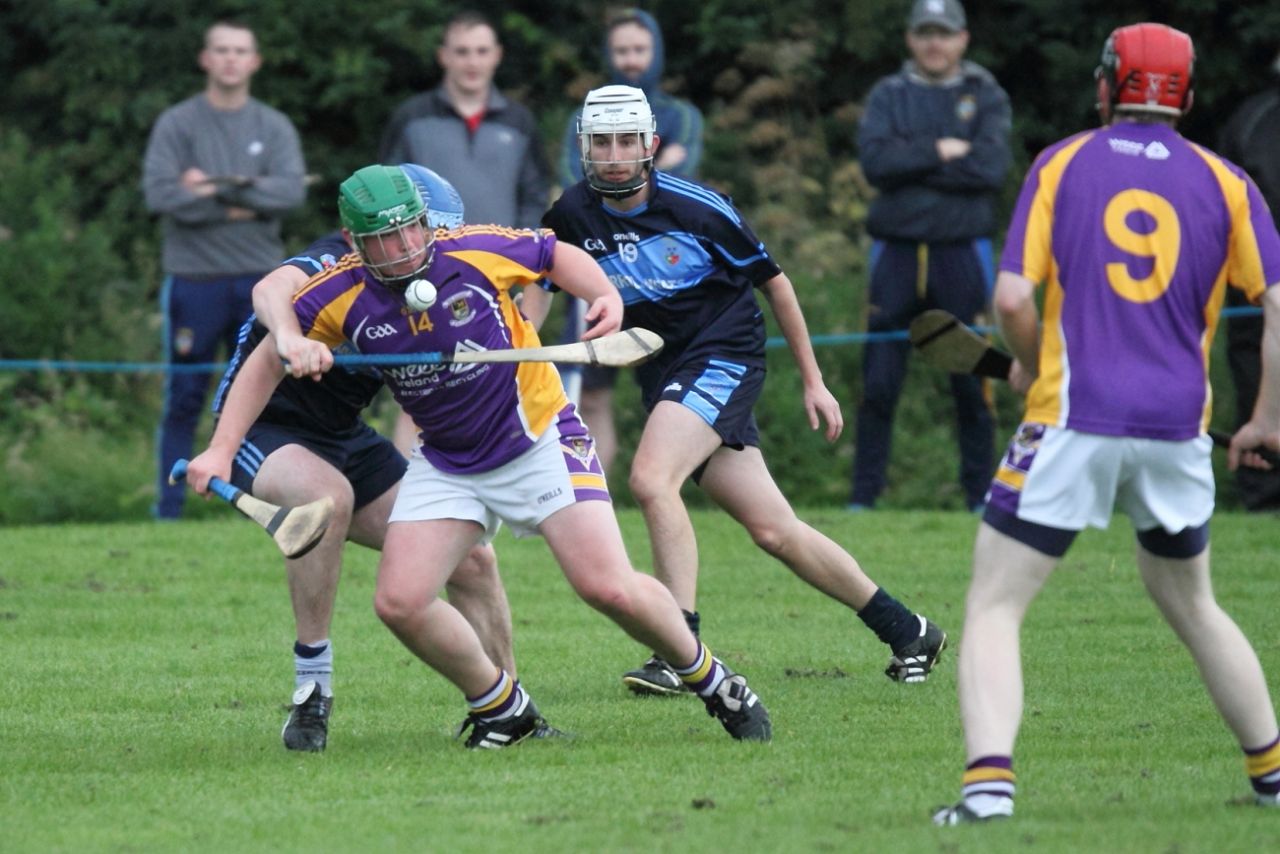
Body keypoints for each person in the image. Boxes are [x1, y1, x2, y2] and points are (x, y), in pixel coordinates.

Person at [192, 164, 773, 747]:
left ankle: (714, 679)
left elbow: (553, 255)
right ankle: (503, 708)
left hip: (540, 439)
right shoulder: (339, 294)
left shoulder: (472, 249)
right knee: (399, 602)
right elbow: (266, 358)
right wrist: (233, 432)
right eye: (384, 239)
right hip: (448, 463)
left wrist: (602, 296)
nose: (404, 248)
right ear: (354, 241)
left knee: (608, 588)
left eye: (412, 230)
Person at [933, 23, 1280, 825]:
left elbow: (1014, 299)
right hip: (1175, 430)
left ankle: (988, 792)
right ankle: (1270, 774)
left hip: (1071, 419)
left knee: (994, 604)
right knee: (1192, 600)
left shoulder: (1062, 163)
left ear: (1104, 86)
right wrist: (1264, 418)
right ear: (1186, 96)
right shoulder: (1227, 182)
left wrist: (1029, 364)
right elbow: (1276, 308)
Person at [543, 85, 947, 697]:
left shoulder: (699, 208)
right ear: (584, 148)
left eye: (628, 141)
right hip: (667, 371)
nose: (616, 154)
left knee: (652, 480)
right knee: (774, 530)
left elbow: (776, 285)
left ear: (651, 145)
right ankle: (909, 629)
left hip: (723, 353)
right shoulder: (571, 214)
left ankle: (679, 650)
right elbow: (537, 282)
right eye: (602, 142)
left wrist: (815, 381)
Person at [186, 165, 544, 752]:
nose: (417, 253)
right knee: (327, 500)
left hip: (343, 434)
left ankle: (510, 708)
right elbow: (268, 291)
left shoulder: (437, 274)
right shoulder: (335, 262)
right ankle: (312, 691)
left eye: (429, 235)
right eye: (402, 237)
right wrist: (289, 337)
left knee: (474, 561)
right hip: (265, 427)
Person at [849, 0, 1010, 512]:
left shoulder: (985, 93)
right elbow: (876, 164)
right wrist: (942, 150)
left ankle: (981, 497)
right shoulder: (888, 94)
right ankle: (863, 500)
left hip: (961, 251)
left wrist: (910, 163)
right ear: (910, 39)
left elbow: (989, 168)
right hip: (894, 252)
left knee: (972, 378)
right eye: (925, 34)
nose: (934, 43)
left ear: (962, 39)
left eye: (944, 34)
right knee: (878, 380)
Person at [143, 20, 307, 519]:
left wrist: (210, 188)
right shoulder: (176, 124)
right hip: (193, 281)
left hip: (261, 284)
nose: (231, 59)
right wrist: (247, 196)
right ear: (206, 59)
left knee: (269, 395)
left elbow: (290, 194)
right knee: (185, 394)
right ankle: (168, 508)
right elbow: (161, 195)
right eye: (222, 50)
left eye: (241, 50)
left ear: (255, 61)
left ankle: (258, 505)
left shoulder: (273, 126)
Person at [554, 7, 706, 476]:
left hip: (668, 275)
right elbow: (571, 184)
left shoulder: (683, 115)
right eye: (622, 50)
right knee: (589, 387)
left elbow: (680, 183)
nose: (631, 59)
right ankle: (590, 493)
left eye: (640, 50)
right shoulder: (583, 116)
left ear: (656, 51)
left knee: (669, 384)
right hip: (598, 269)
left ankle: (664, 479)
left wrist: (624, 178)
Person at [378, 10, 548, 230]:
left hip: (503, 258)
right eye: (462, 52)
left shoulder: (519, 122)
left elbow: (534, 197)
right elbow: (389, 196)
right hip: (429, 258)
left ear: (497, 55)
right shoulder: (411, 118)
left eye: (482, 51)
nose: (472, 62)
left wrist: (522, 245)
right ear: (443, 56)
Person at [1218, 52, 1280, 511]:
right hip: (1256, 278)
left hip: (1259, 279)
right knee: (1254, 368)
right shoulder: (1253, 120)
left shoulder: (1249, 117)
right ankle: (1263, 493)